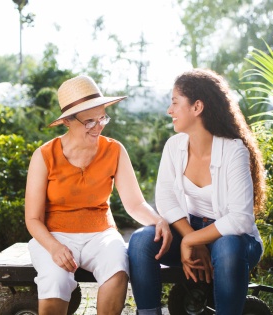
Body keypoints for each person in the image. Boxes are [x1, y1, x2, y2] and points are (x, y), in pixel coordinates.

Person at [25, 75, 172, 315]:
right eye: (89, 121)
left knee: (117, 269)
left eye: (102, 117)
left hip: (101, 234)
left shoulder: (114, 150)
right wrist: (53, 247)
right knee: (55, 281)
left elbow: (134, 204)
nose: (99, 126)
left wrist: (158, 221)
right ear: (67, 122)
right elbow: (32, 219)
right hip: (55, 236)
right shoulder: (43, 156)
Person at [128, 68, 266, 315]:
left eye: (174, 103)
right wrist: (190, 234)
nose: (169, 111)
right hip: (189, 227)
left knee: (228, 247)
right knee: (140, 242)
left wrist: (192, 240)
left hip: (234, 240)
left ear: (197, 107)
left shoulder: (234, 151)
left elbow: (241, 219)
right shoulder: (174, 146)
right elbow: (166, 199)